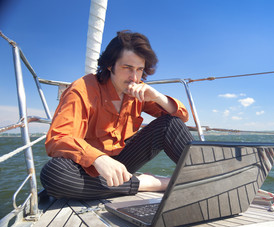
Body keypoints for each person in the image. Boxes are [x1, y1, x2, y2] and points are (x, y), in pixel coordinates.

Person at [40, 30, 194, 199]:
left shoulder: (138, 91)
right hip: (90, 166)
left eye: (139, 69)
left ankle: (205, 177)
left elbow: (181, 118)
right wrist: (98, 158)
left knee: (170, 123)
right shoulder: (82, 89)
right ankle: (151, 183)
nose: (134, 77)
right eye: (127, 68)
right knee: (53, 174)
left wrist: (157, 97)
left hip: (122, 163)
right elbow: (58, 138)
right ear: (109, 65)